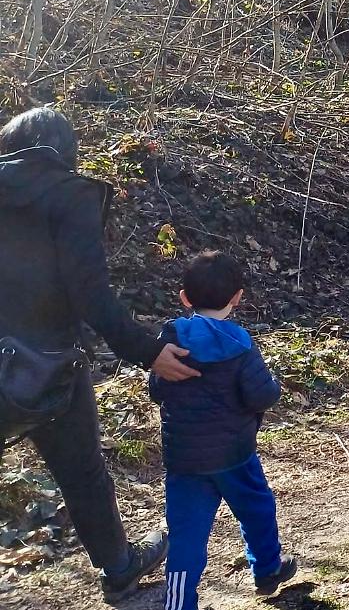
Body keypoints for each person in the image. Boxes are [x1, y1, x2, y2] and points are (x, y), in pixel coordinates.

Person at [0, 108, 201, 602]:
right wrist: (147, 350)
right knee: (80, 467)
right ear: (64, 150)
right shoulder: (70, 195)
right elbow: (90, 294)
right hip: (47, 363)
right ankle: (118, 566)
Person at [149, 252, 296, 610]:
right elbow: (262, 395)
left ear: (184, 297)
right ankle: (266, 569)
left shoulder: (169, 339)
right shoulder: (239, 342)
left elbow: (157, 389)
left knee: (186, 533)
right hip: (235, 456)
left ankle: (179, 602)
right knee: (257, 508)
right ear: (237, 297)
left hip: (183, 458)